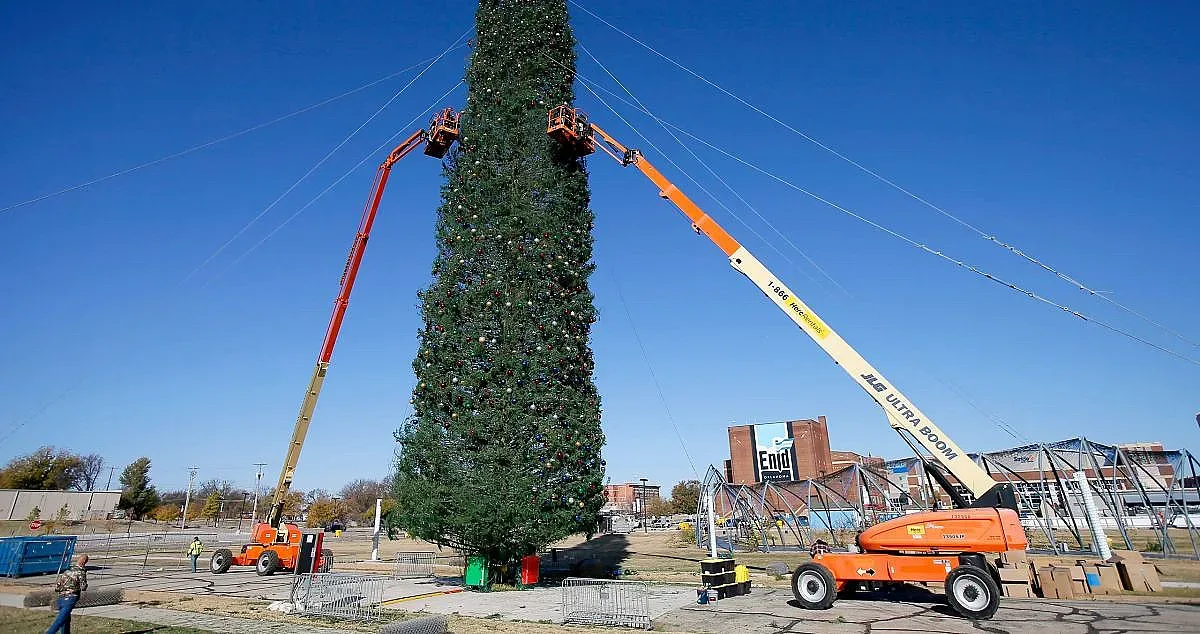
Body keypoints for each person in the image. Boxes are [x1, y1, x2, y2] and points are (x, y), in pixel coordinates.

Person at [46, 554, 88, 634]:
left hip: (60, 597)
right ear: (83, 562)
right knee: (60, 620)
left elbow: (57, 586)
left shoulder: (67, 570)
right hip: (70, 597)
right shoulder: (80, 572)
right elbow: (83, 587)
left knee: (66, 620)